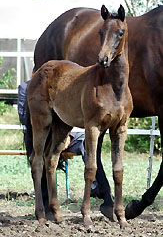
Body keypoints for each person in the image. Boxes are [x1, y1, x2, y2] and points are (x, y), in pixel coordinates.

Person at [17, 81, 114, 220]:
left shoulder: (75, 83)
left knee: (87, 147)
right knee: (43, 155)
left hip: (71, 132)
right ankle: (44, 202)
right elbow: (29, 120)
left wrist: (69, 134)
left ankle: (97, 187)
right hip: (48, 132)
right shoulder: (28, 87)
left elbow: (76, 112)